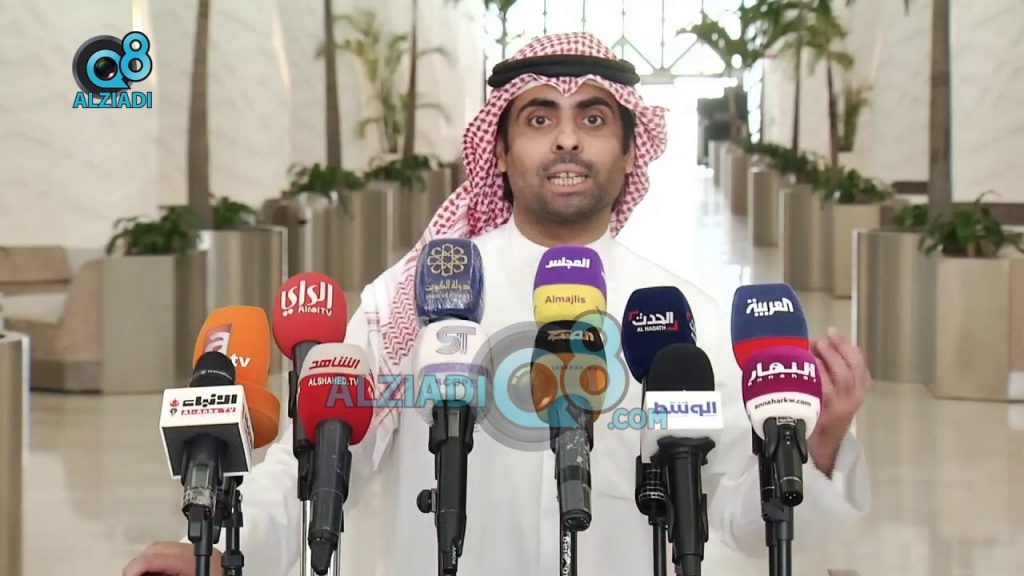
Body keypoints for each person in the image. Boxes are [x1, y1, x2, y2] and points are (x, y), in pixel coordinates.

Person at [124, 32, 872, 576]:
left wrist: (822, 447)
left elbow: (747, 519)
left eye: (594, 119)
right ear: (502, 152)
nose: (567, 141)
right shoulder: (412, 295)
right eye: (540, 119)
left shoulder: (685, 315)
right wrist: (217, 551)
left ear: (628, 152)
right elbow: (318, 458)